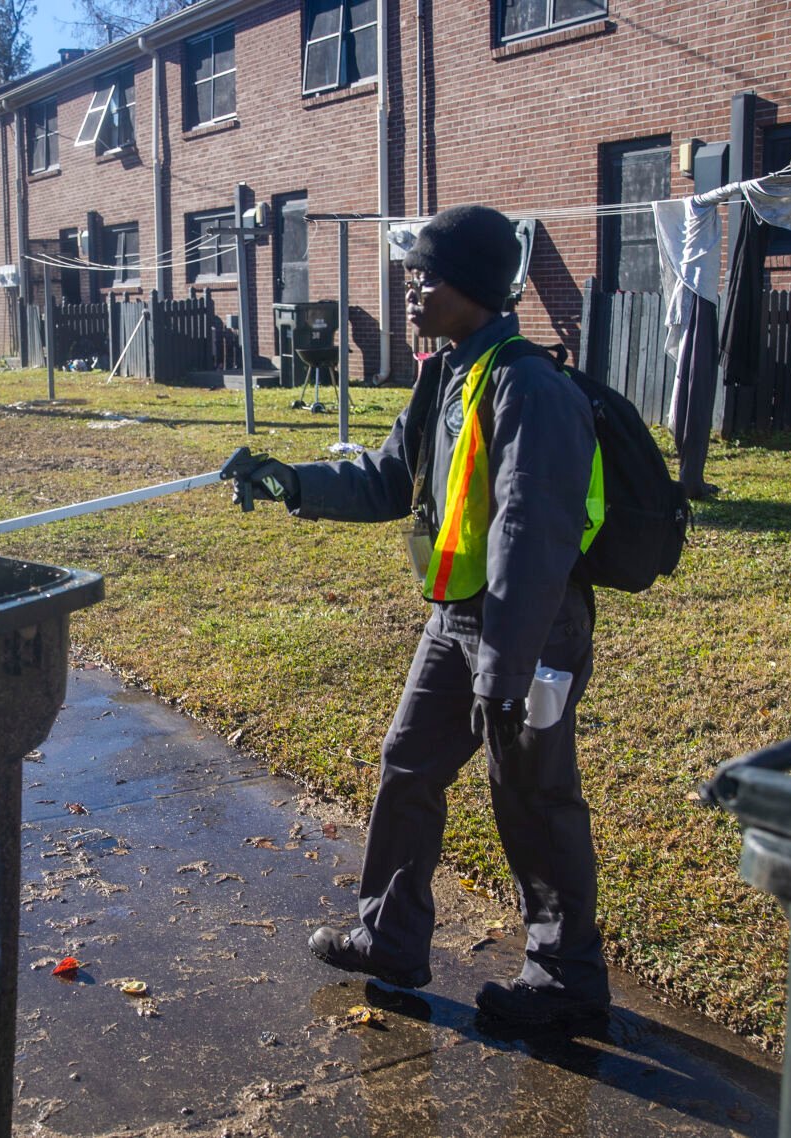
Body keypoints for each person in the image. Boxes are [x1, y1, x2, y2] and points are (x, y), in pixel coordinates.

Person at [221, 204, 609, 1029]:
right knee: (408, 767)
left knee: (533, 799)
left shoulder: (529, 386)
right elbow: (389, 479)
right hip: (457, 623)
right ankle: (389, 939)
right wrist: (293, 482)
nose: (409, 288)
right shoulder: (445, 373)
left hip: (529, 631)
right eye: (410, 273)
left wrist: (505, 673)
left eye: (423, 275)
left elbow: (530, 537)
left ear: (470, 285)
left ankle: (568, 983)